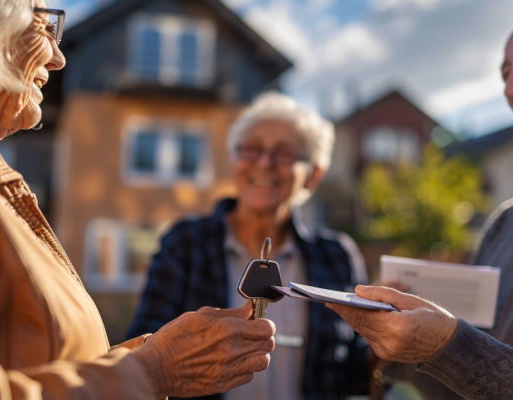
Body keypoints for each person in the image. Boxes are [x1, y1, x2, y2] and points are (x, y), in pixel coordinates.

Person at [0, 0, 275, 398]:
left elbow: (39, 361)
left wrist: (155, 356)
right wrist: (153, 371)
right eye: (42, 22)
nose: (57, 58)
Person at [328, 3, 513, 399]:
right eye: (506, 74)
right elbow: (473, 385)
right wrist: (406, 349)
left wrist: (448, 346)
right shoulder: (505, 223)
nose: (512, 89)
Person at [128, 93, 375, 400]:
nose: (264, 163)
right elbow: (142, 344)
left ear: (313, 176)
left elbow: (354, 373)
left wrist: (385, 345)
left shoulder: (338, 255)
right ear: (234, 161)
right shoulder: (186, 242)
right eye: (252, 148)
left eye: (285, 153)